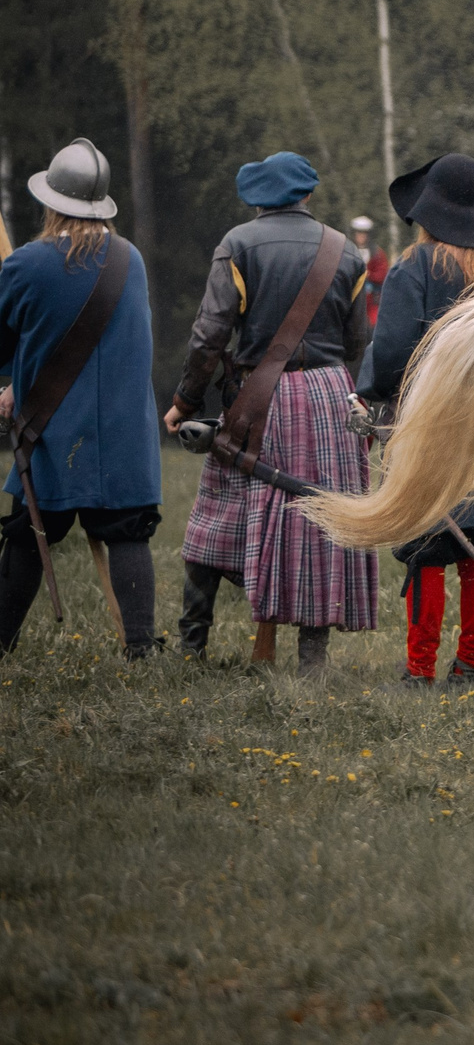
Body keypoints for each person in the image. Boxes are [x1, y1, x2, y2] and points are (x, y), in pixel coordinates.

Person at [170, 151, 374, 673]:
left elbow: (209, 336)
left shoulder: (237, 244)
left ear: (258, 198)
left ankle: (191, 648)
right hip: (329, 394)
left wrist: (185, 401)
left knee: (215, 517)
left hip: (257, 398)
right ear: (306, 194)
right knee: (322, 520)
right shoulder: (347, 251)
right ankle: (312, 661)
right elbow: (357, 341)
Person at [356, 154, 474, 686]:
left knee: (425, 546)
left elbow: (392, 349)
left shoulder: (414, 267)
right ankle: (471, 665)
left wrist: (373, 392)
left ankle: (419, 668)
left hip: (427, 422)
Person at [0, 139, 160, 657]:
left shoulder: (27, 264)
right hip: (121, 429)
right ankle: (141, 648)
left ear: (52, 203)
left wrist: (11, 381)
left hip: (52, 428)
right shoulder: (131, 259)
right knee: (128, 532)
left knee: (29, 532)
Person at [348, 215, 388, 327]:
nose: (361, 236)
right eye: (359, 233)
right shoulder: (348, 251)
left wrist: (369, 274)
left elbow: (383, 274)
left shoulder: (377, 253)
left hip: (371, 299)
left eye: (364, 233)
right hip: (351, 298)